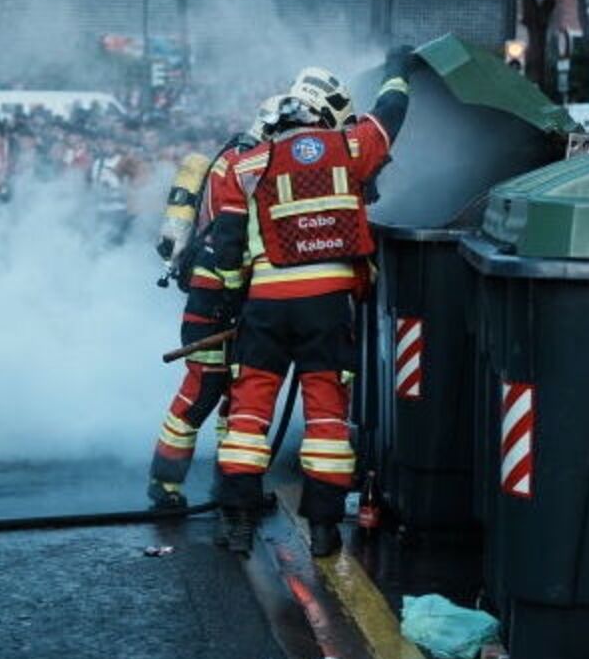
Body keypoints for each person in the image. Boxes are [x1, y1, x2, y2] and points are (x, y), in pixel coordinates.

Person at [196, 50, 417, 557]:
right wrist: (399, 71)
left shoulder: (245, 163)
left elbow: (227, 241)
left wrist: (232, 302)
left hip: (266, 305)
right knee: (325, 418)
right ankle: (322, 530)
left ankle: (238, 521)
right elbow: (390, 116)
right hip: (328, 307)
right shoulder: (351, 145)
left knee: (249, 413)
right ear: (328, 111)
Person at [144, 99, 280, 510]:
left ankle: (231, 487)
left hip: (237, 298)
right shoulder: (241, 164)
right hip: (215, 295)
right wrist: (236, 293)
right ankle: (163, 484)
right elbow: (227, 242)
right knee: (202, 388)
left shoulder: (246, 159)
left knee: (238, 395)